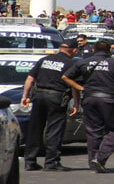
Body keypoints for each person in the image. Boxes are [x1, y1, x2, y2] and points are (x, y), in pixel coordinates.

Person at [62, 41, 114, 173]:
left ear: (93, 50)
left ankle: (93, 163)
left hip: (90, 98)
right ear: (109, 51)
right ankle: (100, 158)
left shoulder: (83, 62)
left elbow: (65, 77)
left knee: (93, 132)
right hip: (109, 99)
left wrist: (81, 88)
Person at [22, 39, 79, 171]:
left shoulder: (45, 59)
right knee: (54, 130)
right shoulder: (70, 63)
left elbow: (30, 78)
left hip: (38, 95)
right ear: (74, 51)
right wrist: (76, 103)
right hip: (56, 97)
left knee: (35, 129)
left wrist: (25, 96)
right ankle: (51, 162)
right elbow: (73, 85)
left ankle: (30, 161)